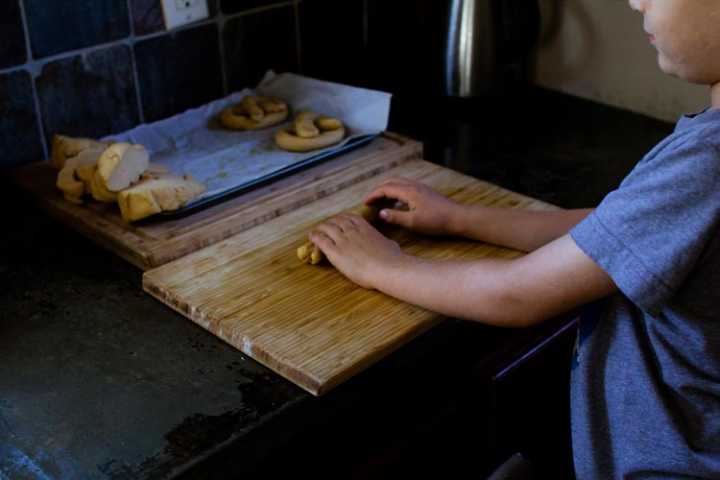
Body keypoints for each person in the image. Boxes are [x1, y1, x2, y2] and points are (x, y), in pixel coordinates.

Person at [308, 0, 720, 477]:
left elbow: (516, 294)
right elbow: (612, 232)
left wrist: (382, 264)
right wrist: (461, 220)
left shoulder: (705, 165)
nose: (636, 0)